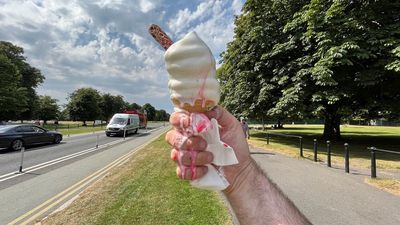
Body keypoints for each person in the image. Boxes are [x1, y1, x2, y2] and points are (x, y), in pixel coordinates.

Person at [166, 106, 311, 225]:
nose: (243, 120)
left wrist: (242, 172)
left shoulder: (243, 126)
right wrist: (241, 175)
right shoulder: (238, 125)